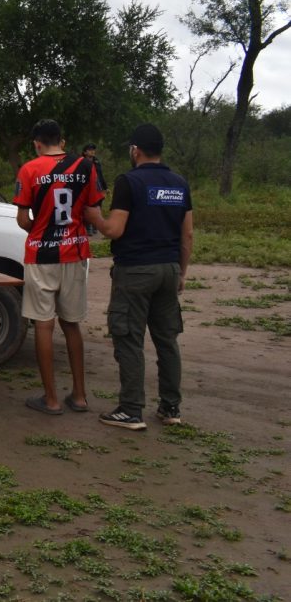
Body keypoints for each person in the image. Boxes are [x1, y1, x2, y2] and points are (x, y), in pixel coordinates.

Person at [86, 124, 193, 431]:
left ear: (136, 150)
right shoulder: (179, 183)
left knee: (129, 338)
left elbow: (115, 230)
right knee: (167, 340)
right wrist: (181, 273)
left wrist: (95, 217)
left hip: (135, 272)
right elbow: (187, 235)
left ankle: (131, 409)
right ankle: (171, 408)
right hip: (169, 269)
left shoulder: (128, 182)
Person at [14, 119, 105, 415]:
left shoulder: (29, 170)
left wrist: (42, 232)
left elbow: (23, 219)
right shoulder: (86, 167)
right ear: (62, 141)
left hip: (41, 255)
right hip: (75, 252)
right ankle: (79, 396)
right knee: (71, 323)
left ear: (37, 143)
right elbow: (93, 211)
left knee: (43, 323)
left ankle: (51, 399)